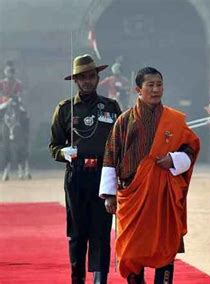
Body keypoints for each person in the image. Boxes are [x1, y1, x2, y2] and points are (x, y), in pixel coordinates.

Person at [98, 67, 200, 283]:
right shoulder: (124, 121)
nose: (156, 89)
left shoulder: (174, 120)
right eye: (150, 85)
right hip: (132, 196)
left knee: (164, 245)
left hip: (163, 196)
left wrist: (175, 160)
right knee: (131, 251)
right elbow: (110, 154)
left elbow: (191, 147)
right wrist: (108, 194)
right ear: (138, 89)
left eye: (159, 84)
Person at [49, 54, 121, 283]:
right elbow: (53, 145)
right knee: (77, 234)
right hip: (76, 176)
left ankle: (100, 280)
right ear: (75, 81)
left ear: (98, 78)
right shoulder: (64, 109)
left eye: (91, 76)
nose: (87, 81)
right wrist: (62, 153)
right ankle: (77, 279)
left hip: (103, 176)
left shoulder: (110, 107)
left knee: (101, 232)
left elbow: (121, 142)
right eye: (82, 78)